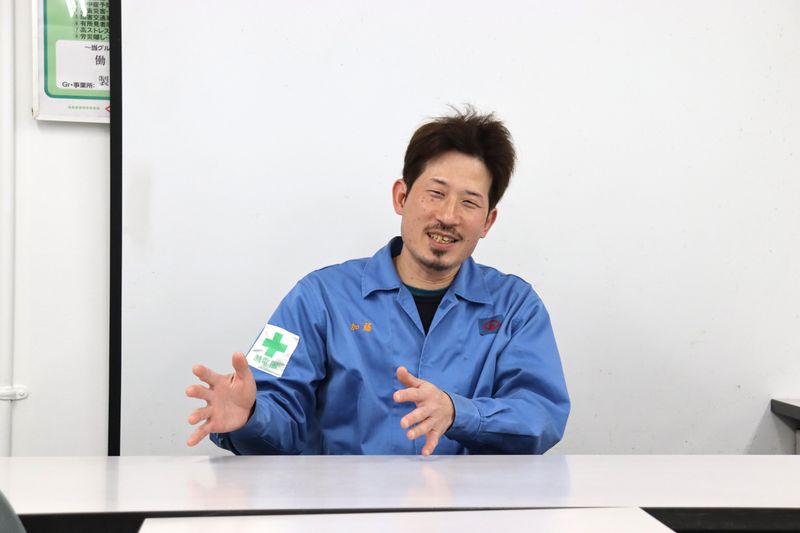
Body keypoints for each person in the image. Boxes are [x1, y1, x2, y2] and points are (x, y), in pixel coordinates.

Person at [186, 107, 570, 455]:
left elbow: (541, 416)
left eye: (469, 202)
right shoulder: (318, 299)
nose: (449, 216)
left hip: (471, 505)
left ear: (487, 221)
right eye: (436, 193)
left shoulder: (516, 308)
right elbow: (276, 414)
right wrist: (251, 415)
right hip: (344, 505)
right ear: (401, 196)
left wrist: (459, 413)